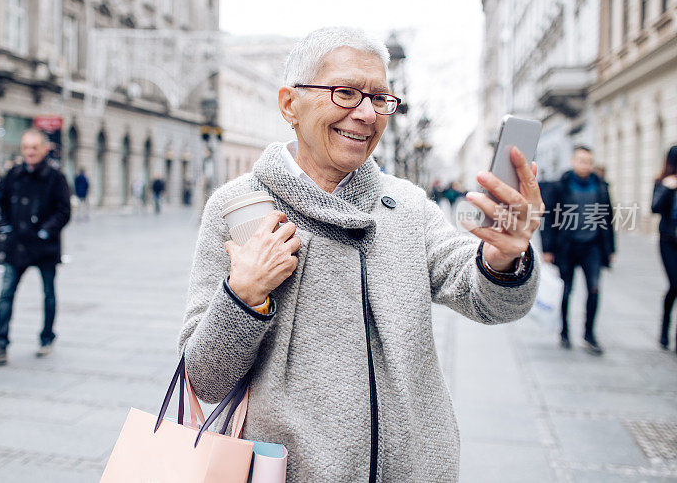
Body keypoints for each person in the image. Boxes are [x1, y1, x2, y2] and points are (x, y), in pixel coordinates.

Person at [178, 27, 542, 482]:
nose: (367, 114)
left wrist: (503, 259)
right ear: (290, 104)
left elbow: (487, 300)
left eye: (380, 98)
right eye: (346, 93)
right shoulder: (239, 207)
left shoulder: (406, 206)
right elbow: (205, 380)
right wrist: (244, 294)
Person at [0, 129, 71, 366]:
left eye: (34, 148)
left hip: (44, 247)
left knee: (48, 293)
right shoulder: (14, 174)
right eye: (26, 148)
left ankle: (47, 336)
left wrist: (45, 231)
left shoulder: (55, 176)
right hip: (16, 245)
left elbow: (64, 211)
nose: (29, 152)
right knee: (5, 294)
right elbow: (3, 203)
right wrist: (6, 226)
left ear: (43, 149)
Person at [541, 146, 615, 355]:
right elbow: (548, 217)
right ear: (573, 161)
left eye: (589, 161)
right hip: (567, 246)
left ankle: (589, 334)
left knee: (594, 289)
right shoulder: (560, 185)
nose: (586, 165)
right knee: (566, 290)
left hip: (592, 246)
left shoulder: (600, 186)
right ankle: (564, 332)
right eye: (582, 161)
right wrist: (548, 248)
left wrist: (610, 249)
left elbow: (608, 219)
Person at [652, 145, 677, 354]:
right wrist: (668, 188)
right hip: (669, 241)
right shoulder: (662, 182)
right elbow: (655, 207)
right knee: (675, 284)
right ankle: (664, 330)